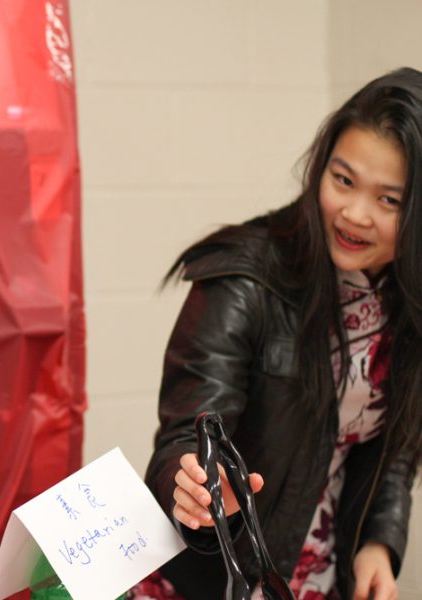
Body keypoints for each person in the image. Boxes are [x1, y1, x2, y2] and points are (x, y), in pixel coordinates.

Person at [131, 68, 422, 600]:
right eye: (343, 180)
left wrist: (378, 543)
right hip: (224, 577)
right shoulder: (245, 278)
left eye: (390, 200)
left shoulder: (408, 298)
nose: (354, 215)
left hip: (322, 574)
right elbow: (185, 433)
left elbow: (396, 443)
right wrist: (195, 484)